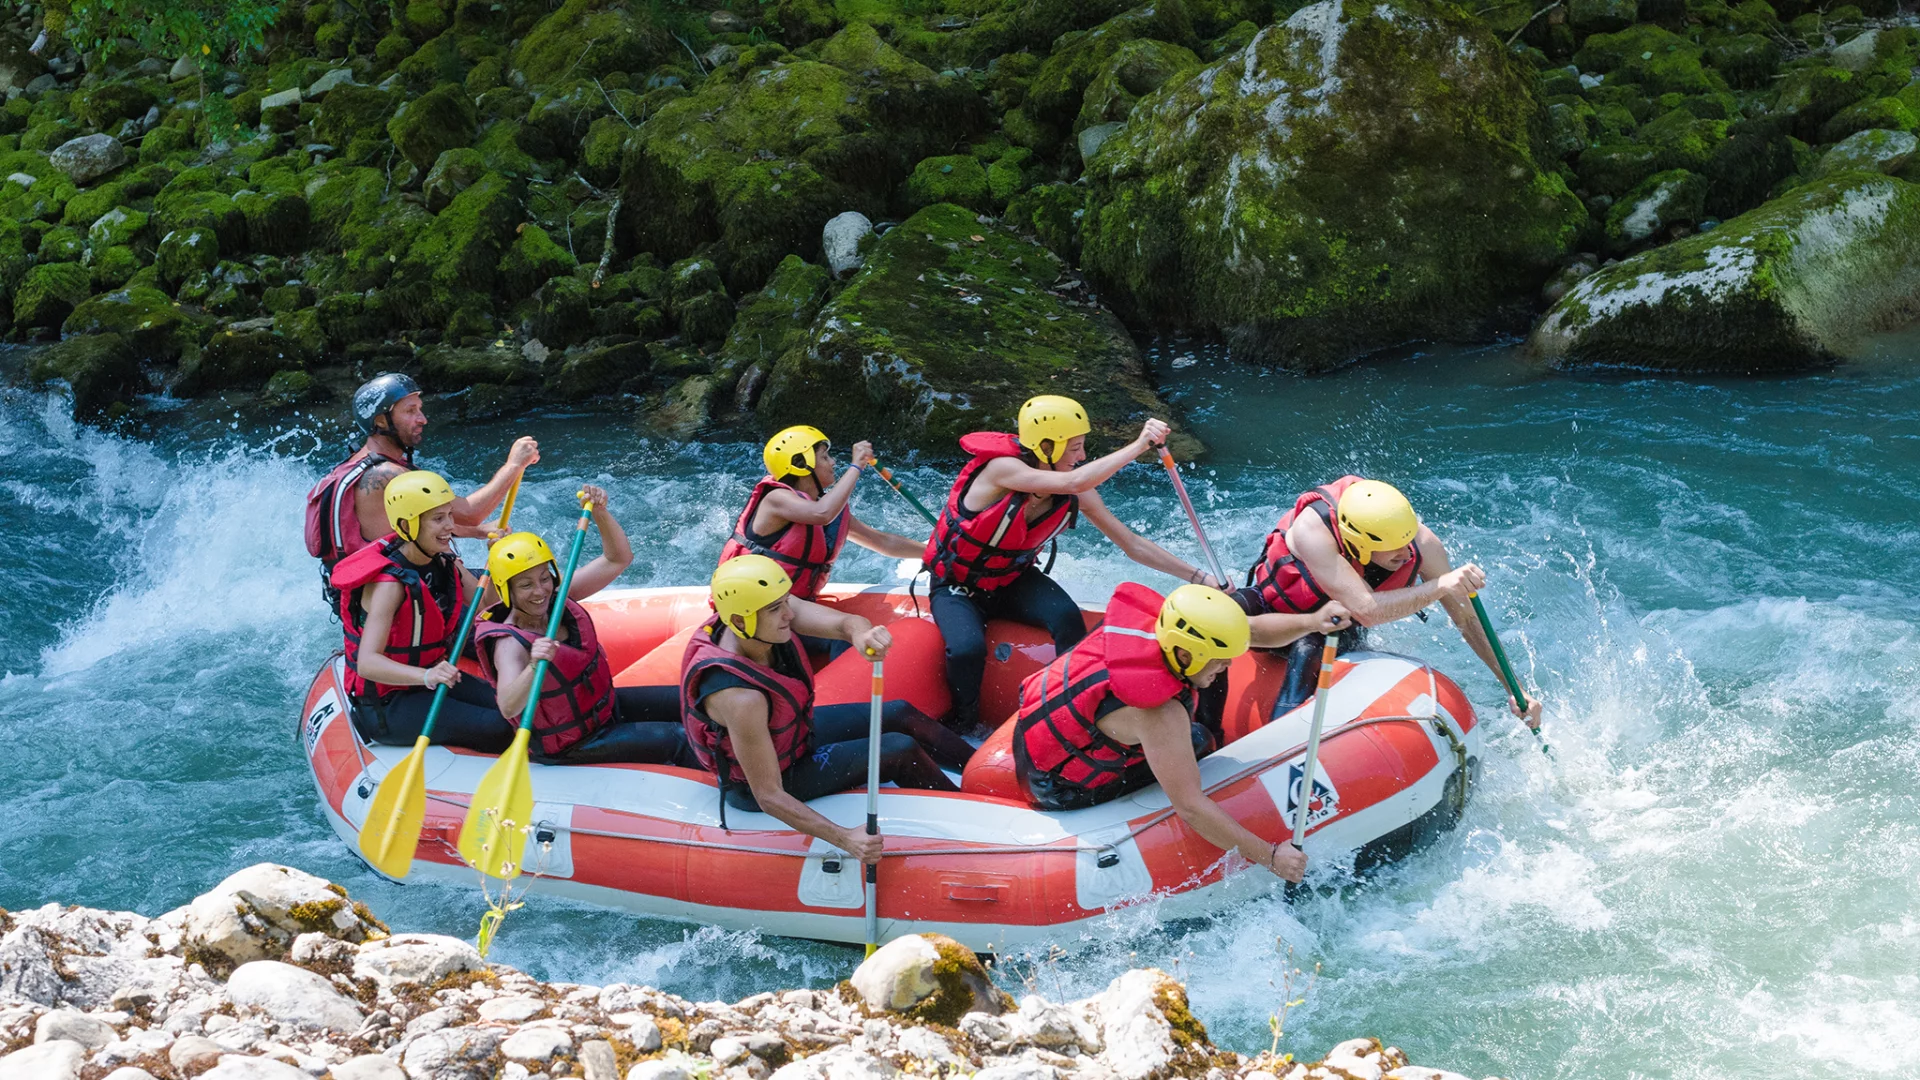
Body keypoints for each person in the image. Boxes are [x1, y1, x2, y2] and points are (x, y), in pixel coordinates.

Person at [924, 394, 1223, 731]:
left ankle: (1069, 713)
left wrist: (1199, 576)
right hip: (957, 585)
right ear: (1046, 446)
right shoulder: (1002, 470)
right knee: (966, 650)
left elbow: (1132, 544)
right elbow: (1074, 481)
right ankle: (964, 725)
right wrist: (1140, 444)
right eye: (1075, 447)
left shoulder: (1076, 489)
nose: (1082, 456)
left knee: (1068, 618)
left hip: (1012, 580)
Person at [680, 555, 976, 856]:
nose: (788, 615)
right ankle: (977, 817)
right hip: (769, 782)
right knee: (897, 749)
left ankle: (983, 776)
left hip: (796, 736)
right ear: (742, 621)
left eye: (785, 602)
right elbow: (768, 795)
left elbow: (845, 624)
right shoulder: (740, 698)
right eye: (775, 609)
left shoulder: (759, 616)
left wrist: (862, 635)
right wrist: (845, 838)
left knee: (900, 712)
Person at [1012, 582, 1307, 883]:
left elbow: (1251, 632)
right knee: (1198, 741)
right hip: (1056, 788)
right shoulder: (1160, 714)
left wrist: (1314, 621)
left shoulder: (1151, 629)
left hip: (1028, 736)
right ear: (1185, 655)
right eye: (1219, 658)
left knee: (1195, 726)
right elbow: (1191, 808)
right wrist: (1271, 858)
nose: (1228, 664)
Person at [1239, 476, 1546, 724]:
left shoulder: (1422, 543)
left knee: (1307, 648)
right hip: (1271, 608)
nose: (1406, 552)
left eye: (1406, 540)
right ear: (1357, 541)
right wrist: (1440, 586)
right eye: (1393, 548)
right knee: (1228, 611)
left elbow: (1467, 619)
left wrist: (1515, 689)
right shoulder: (1312, 529)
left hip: (1331, 630)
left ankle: (1286, 749)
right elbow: (1368, 610)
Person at [475, 488, 691, 766]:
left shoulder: (557, 597)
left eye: (544, 578)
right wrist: (533, 666)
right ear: (507, 591)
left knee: (691, 699)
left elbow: (618, 559)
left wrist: (600, 512)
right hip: (572, 744)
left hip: (603, 708)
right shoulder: (510, 644)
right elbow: (508, 706)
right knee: (677, 739)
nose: (540, 591)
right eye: (526, 585)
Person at [304, 372, 538, 608]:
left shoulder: (358, 462)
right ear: (381, 421)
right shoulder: (387, 475)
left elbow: (414, 523)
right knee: (529, 591)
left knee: (529, 584)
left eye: (420, 409)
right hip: (403, 599)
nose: (423, 419)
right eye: (410, 410)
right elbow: (470, 512)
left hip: (382, 593)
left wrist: (477, 531)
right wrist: (515, 465)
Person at [332, 470, 514, 753]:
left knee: (515, 707)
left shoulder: (441, 561)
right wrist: (426, 677)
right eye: (438, 519)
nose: (449, 527)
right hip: (389, 705)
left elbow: (485, 605)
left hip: (427, 678)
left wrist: (497, 558)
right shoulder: (389, 584)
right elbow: (368, 662)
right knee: (501, 728)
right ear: (407, 525)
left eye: (450, 516)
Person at [719, 425, 926, 600]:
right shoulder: (776, 499)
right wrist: (857, 465)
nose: (833, 462)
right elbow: (822, 513)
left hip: (791, 604)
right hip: (759, 602)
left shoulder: (824, 506)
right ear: (801, 464)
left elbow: (882, 542)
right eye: (825, 457)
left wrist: (935, 553)